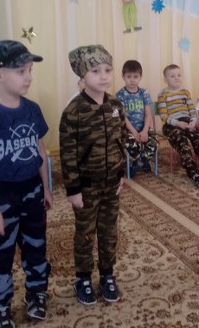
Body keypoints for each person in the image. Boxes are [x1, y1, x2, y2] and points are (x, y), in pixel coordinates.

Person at [0, 40, 53, 327]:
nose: (28, 77)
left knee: (36, 246)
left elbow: (41, 151)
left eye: (29, 70)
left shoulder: (32, 109)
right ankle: (0, 306)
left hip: (32, 190)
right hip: (2, 195)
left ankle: (37, 293)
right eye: (20, 71)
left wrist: (46, 187)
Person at [59, 45, 127, 306]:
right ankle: (83, 278)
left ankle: (107, 275)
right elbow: (68, 154)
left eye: (108, 70)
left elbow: (121, 141)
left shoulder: (116, 105)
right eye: (95, 71)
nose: (103, 76)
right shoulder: (73, 111)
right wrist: (73, 189)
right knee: (85, 233)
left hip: (111, 184)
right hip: (86, 187)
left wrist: (121, 173)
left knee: (109, 231)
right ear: (82, 76)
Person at [158, 64, 199, 188]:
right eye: (172, 76)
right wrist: (177, 123)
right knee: (183, 145)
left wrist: (193, 121)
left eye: (179, 75)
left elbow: (192, 110)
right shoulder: (163, 95)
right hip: (172, 124)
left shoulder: (185, 92)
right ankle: (193, 172)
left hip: (188, 122)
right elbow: (163, 116)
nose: (177, 78)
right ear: (165, 80)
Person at [115, 59, 158, 177]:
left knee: (154, 143)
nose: (132, 80)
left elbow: (148, 114)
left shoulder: (144, 93)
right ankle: (142, 161)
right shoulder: (120, 95)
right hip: (128, 129)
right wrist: (134, 132)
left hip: (143, 127)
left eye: (135, 77)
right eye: (128, 77)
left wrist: (144, 131)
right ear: (123, 77)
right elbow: (123, 117)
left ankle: (138, 163)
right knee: (129, 144)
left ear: (140, 77)